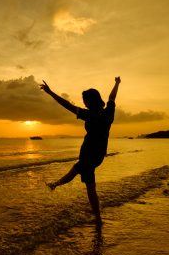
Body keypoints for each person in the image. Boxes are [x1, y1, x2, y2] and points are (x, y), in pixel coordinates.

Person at [39, 77, 121, 227]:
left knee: (77, 170)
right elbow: (112, 97)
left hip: (90, 155)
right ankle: (98, 219)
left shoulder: (90, 114)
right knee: (90, 187)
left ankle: (55, 184)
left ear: (91, 101)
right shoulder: (108, 112)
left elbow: (67, 105)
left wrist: (50, 93)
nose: (84, 103)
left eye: (85, 100)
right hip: (98, 155)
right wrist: (117, 83)